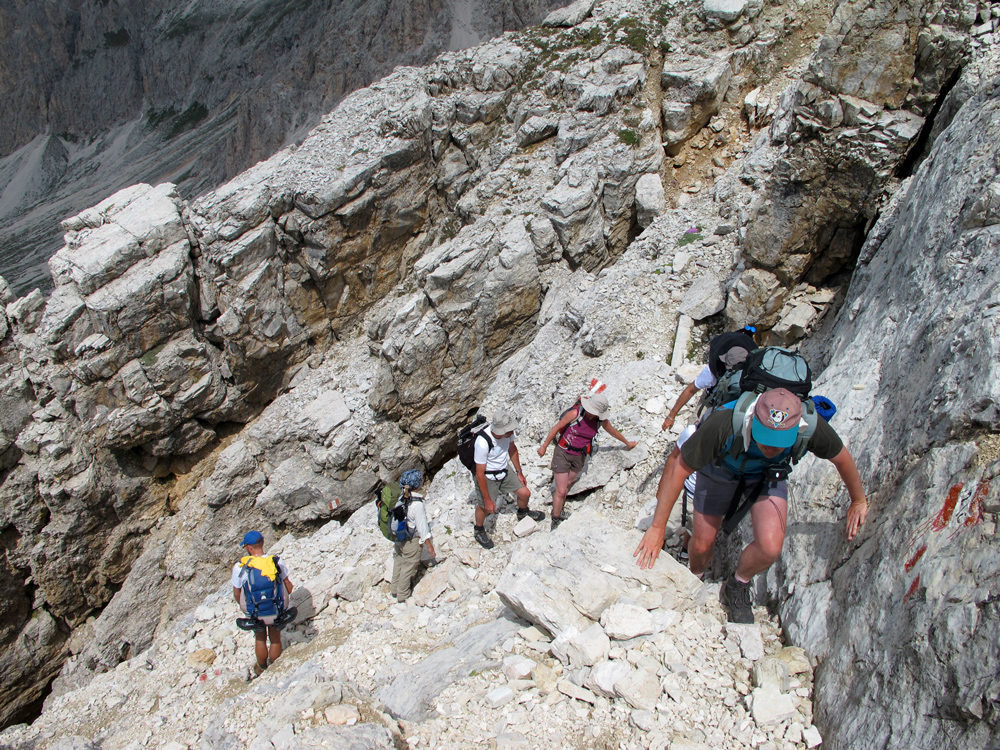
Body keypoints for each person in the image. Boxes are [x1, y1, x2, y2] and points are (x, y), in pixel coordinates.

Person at [635, 388, 867, 624]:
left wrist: (858, 500)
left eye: (779, 442)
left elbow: (842, 458)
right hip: (719, 469)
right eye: (765, 437)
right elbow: (679, 470)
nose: (772, 447)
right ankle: (695, 577)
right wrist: (657, 528)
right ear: (754, 419)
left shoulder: (811, 426)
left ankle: (738, 584)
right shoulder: (723, 424)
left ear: (797, 428)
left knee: (770, 546)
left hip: (767, 475)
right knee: (702, 544)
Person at [538, 382, 638, 530]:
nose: (593, 414)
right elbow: (557, 428)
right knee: (561, 490)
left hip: (579, 456)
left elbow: (613, 432)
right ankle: (555, 519)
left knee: (567, 485)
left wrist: (627, 443)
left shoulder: (600, 421)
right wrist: (544, 446)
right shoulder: (575, 414)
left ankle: (560, 509)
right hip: (563, 453)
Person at [661, 327, 757, 431]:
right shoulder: (753, 373)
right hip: (733, 407)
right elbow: (690, 390)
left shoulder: (714, 370)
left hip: (722, 404)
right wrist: (671, 415)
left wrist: (671, 416)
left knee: (692, 431)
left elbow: (691, 390)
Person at [473, 408, 543, 549]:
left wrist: (519, 472)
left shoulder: (508, 433)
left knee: (525, 493)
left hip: (504, 470)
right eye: (509, 430)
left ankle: (523, 513)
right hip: (488, 476)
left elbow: (512, 449)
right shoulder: (482, 442)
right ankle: (479, 529)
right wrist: (487, 499)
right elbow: (479, 473)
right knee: (485, 507)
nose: (512, 432)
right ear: (500, 431)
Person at [232, 530, 294, 679]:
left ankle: (261, 668)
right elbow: (288, 587)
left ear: (248, 547)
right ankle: (275, 665)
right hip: (275, 608)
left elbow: (237, 593)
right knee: (275, 637)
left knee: (260, 637)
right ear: (262, 543)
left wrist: (246, 609)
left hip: (255, 612)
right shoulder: (276, 561)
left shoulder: (241, 567)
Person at [389, 470, 438, 603]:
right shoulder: (417, 504)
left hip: (399, 537)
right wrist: (429, 545)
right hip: (412, 540)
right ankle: (402, 595)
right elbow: (422, 527)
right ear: (417, 484)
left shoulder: (399, 498)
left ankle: (394, 589)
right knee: (408, 567)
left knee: (398, 561)